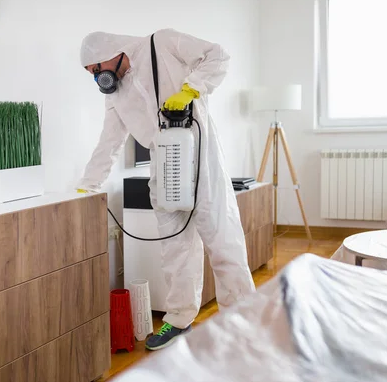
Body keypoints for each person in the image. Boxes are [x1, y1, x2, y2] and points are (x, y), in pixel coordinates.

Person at [77, 28, 256, 350]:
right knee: (175, 247)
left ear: (111, 53)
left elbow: (217, 54)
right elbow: (110, 142)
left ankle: (242, 321)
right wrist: (87, 185)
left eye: (96, 69)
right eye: (92, 75)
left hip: (200, 153)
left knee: (222, 240)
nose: (97, 78)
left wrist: (191, 89)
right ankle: (178, 319)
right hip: (163, 162)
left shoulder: (162, 43)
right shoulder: (116, 95)